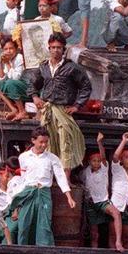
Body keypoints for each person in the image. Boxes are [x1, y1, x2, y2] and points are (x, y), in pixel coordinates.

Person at [30, 33, 90, 169]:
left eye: (59, 47)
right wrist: (35, 97)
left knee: (66, 143)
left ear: (63, 49)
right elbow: (33, 84)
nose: (56, 50)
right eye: (53, 47)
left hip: (64, 110)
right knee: (47, 143)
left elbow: (86, 86)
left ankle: (66, 177)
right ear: (49, 48)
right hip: (47, 111)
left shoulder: (72, 67)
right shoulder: (44, 67)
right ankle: (49, 174)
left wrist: (77, 105)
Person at [9, 127, 77, 246]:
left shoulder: (52, 158)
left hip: (44, 193)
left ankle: (44, 249)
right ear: (33, 140)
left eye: (46, 142)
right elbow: (23, 179)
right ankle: (23, 250)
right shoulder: (23, 157)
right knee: (24, 224)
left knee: (44, 224)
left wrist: (69, 197)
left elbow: (61, 177)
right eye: (41, 142)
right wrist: (17, 202)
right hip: (28, 193)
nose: (44, 145)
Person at [78, 138, 121, 249]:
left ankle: (118, 242)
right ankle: (94, 252)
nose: (97, 163)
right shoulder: (85, 172)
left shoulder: (104, 168)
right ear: (89, 162)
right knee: (94, 234)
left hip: (103, 201)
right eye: (94, 160)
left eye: (98, 161)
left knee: (116, 213)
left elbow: (103, 157)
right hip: (91, 204)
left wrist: (99, 143)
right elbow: (79, 180)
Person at [0, 35, 29, 122]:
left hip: (26, 88)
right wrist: (0, 62)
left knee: (10, 83)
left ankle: (22, 111)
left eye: (11, 48)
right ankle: (14, 109)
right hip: (15, 87)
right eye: (5, 49)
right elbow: (1, 78)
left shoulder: (20, 58)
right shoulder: (8, 59)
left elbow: (16, 77)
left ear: (16, 49)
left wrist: (7, 64)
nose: (8, 51)